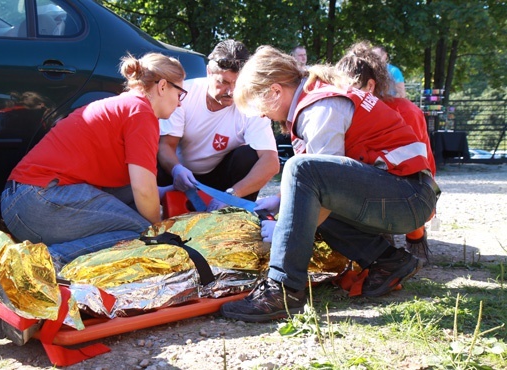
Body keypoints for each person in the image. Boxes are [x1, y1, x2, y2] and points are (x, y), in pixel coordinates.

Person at [219, 45, 440, 322]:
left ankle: (283, 287)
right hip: (406, 194)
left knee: (300, 169)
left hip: (409, 198)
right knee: (305, 183)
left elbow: (316, 183)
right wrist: (282, 202)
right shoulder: (318, 99)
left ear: (275, 91)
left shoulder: (319, 106)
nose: (261, 115)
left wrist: (284, 232)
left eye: (257, 105)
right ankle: (388, 260)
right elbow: (325, 186)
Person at [1, 52, 187, 267]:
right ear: (163, 86)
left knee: (136, 214)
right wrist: (159, 232)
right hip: (38, 202)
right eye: (180, 93)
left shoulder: (124, 106)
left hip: (24, 202)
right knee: (143, 235)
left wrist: (162, 194)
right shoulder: (140, 112)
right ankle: (41, 263)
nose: (180, 104)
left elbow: (134, 187)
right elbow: (143, 191)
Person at [336, 41, 436, 264]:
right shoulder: (342, 110)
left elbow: (421, 167)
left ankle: (411, 237)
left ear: (370, 86)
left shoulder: (406, 111)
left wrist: (415, 231)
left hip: (403, 192)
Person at [157, 40, 279, 208]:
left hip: (221, 181)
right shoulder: (185, 94)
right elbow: (165, 146)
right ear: (208, 72)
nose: (231, 92)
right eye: (224, 82)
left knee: (248, 156)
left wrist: (232, 195)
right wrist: (176, 169)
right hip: (181, 176)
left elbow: (271, 162)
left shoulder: (251, 105)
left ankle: (236, 214)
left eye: (238, 84)